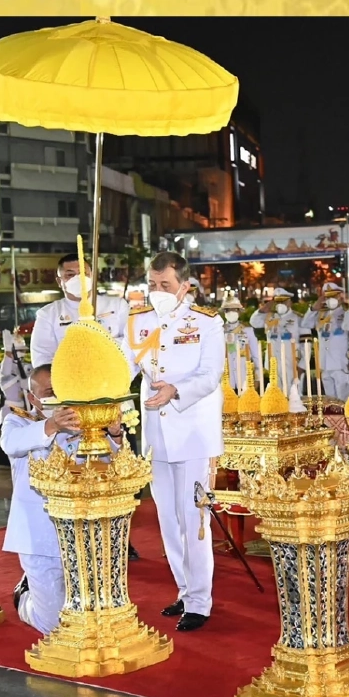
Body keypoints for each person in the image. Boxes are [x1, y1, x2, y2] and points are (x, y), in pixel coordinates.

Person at [123, 252, 224, 632]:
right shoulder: (140, 322)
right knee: (168, 520)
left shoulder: (206, 323)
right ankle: (184, 590)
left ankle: (200, 600)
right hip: (157, 435)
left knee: (193, 518)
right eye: (152, 284)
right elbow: (125, 366)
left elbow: (211, 374)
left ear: (185, 286)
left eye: (165, 285)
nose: (157, 291)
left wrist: (175, 390)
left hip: (193, 433)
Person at [2, 364, 126, 634]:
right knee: (54, 627)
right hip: (38, 537)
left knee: (92, 618)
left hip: (81, 535)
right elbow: (10, 444)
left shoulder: (84, 425)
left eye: (62, 391)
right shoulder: (19, 422)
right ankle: (24, 596)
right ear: (33, 398)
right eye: (49, 393)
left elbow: (113, 465)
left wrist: (115, 434)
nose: (57, 399)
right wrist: (51, 425)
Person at [31, 254, 129, 366]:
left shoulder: (117, 305)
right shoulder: (48, 314)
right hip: (70, 378)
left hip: (112, 375)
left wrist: (99, 347)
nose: (79, 278)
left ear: (93, 276)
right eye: (70, 275)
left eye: (84, 273)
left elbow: (131, 342)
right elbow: (41, 357)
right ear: (59, 281)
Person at [300, 282, 349, 399]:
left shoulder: (346, 313)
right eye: (328, 297)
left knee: (343, 399)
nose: (331, 299)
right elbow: (305, 324)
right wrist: (314, 308)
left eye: (334, 296)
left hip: (340, 363)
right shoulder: (320, 315)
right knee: (329, 401)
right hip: (325, 363)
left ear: (340, 296)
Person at [251, 288, 306, 390]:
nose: (281, 304)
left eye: (284, 301)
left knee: (294, 397)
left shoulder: (298, 318)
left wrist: (302, 366)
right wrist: (266, 307)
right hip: (273, 364)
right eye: (278, 301)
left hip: (292, 364)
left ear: (290, 302)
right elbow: (254, 322)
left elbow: (306, 344)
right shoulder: (269, 317)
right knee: (275, 397)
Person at [220, 294, 262, 393]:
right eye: (228, 310)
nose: (231, 312)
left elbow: (256, 356)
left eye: (234, 310)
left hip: (245, 379)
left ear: (239, 312)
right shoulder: (219, 331)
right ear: (224, 312)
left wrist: (258, 377)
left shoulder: (247, 330)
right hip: (226, 380)